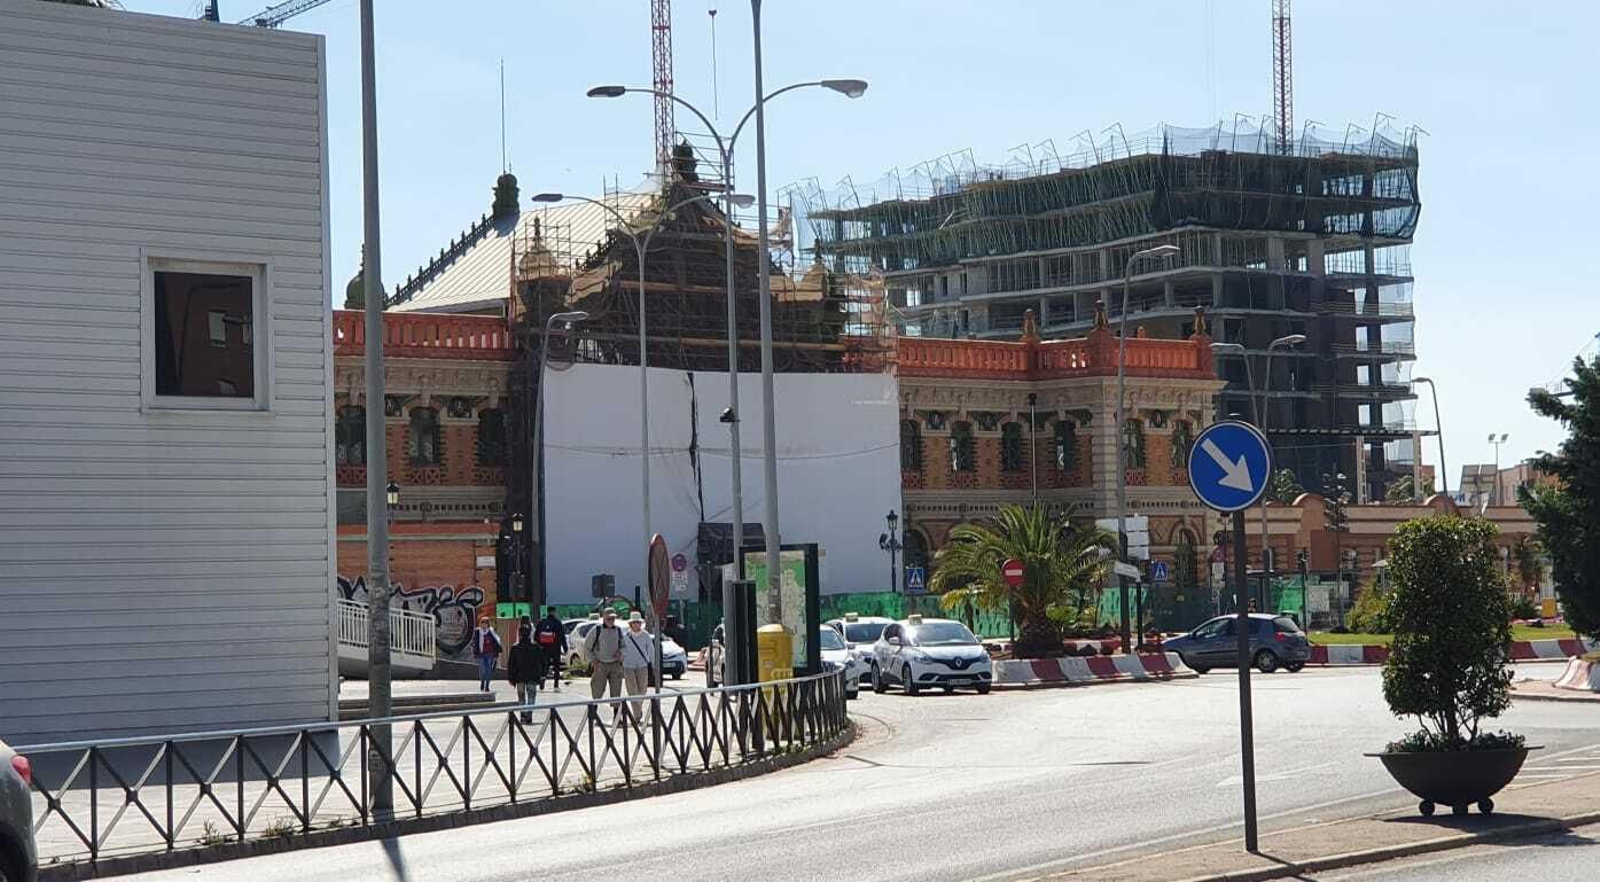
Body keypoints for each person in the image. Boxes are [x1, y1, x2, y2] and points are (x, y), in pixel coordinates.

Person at [583, 608, 625, 716]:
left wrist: (621, 653)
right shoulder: (596, 630)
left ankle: (616, 717)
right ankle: (593, 714)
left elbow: (624, 646)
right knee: (597, 689)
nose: (611, 620)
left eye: (613, 618)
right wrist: (593, 660)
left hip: (615, 664)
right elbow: (587, 647)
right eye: (608, 618)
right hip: (600, 664)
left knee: (616, 691)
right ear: (604, 618)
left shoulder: (619, 630)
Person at [620, 611, 657, 723]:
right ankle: (637, 715)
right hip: (628, 666)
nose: (636, 625)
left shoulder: (646, 635)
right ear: (631, 624)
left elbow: (651, 651)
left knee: (643, 689)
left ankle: (638, 710)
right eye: (634, 622)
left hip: (642, 665)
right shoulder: (626, 636)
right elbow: (622, 650)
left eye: (638, 622)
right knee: (632, 690)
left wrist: (654, 665)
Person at [506, 624, 546, 723]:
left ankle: (523, 715)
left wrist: (511, 677)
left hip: (519, 677)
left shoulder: (515, 647)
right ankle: (529, 714)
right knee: (531, 696)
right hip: (533, 676)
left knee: (521, 696)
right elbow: (543, 661)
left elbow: (511, 664)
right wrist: (542, 675)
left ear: (519, 634)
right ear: (529, 634)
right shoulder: (536, 647)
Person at [534, 607, 568, 691]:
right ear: (554, 612)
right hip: (555, 648)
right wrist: (565, 647)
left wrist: (540, 645)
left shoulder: (542, 622)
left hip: (544, 648)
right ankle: (556, 686)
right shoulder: (557, 623)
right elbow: (562, 636)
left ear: (548, 612)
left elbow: (536, 636)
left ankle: (542, 684)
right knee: (556, 667)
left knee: (544, 666)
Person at [472, 616, 503, 693]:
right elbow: (475, 643)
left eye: (485, 623)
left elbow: (497, 642)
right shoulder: (477, 631)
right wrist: (475, 652)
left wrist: (496, 654)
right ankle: (482, 681)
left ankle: (487, 686)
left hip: (490, 654)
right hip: (481, 654)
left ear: (488, 624)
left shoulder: (491, 632)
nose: (484, 625)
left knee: (488, 670)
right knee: (482, 670)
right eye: (482, 623)